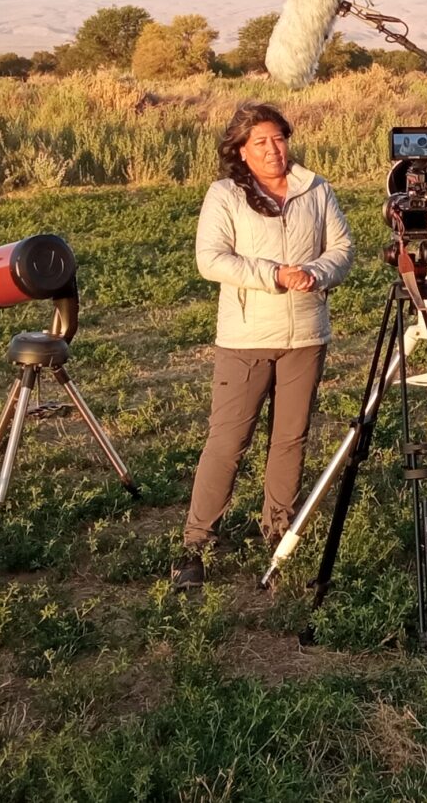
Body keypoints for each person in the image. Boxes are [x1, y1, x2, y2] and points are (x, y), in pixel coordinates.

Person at [177, 102, 353, 589]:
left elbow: (342, 249)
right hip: (247, 337)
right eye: (261, 142)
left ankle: (279, 532)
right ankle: (197, 542)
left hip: (306, 334)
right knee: (228, 441)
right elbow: (210, 259)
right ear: (240, 149)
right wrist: (273, 275)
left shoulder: (315, 189)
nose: (274, 150)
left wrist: (315, 274)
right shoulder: (225, 194)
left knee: (290, 439)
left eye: (279, 138)